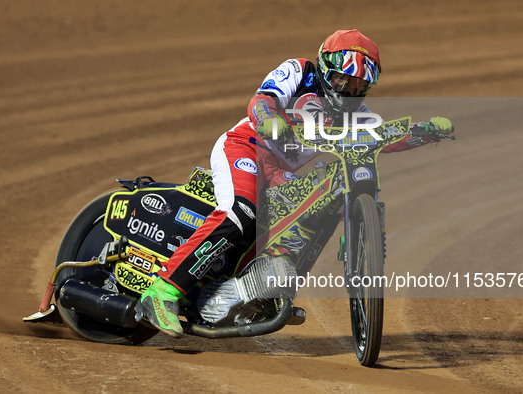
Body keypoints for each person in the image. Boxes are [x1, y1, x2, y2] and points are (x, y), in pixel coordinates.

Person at [139, 29, 454, 338]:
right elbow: (263, 99)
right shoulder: (299, 71)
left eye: (357, 84)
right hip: (245, 146)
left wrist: (424, 131)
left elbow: (382, 138)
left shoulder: (357, 113)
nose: (346, 89)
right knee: (243, 211)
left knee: (302, 218)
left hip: (278, 172)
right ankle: (162, 289)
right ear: (324, 66)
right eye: (341, 78)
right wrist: (267, 119)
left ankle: (251, 293)